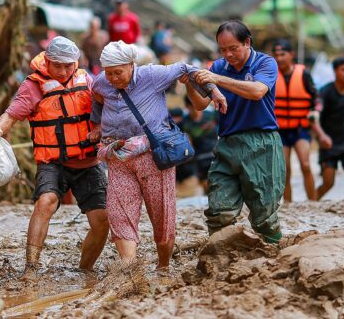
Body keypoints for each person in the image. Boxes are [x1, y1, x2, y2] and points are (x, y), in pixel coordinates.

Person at [91, 41, 226, 270]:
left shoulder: (152, 75)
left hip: (154, 157)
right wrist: (96, 126)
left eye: (118, 72)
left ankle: (163, 266)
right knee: (119, 213)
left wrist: (214, 90)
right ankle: (129, 268)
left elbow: (186, 68)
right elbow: (97, 98)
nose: (112, 78)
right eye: (108, 72)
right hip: (118, 157)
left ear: (131, 65)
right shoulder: (101, 83)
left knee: (162, 217)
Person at [0, 36, 109, 279]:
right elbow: (10, 116)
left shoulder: (85, 79)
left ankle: (84, 271)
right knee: (45, 202)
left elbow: (108, 107)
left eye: (69, 65)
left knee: (102, 220)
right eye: (58, 66)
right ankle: (31, 268)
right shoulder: (33, 86)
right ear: (47, 61)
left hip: (88, 161)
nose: (65, 71)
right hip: (53, 162)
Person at [193, 20, 285, 244]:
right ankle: (219, 261)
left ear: (247, 43)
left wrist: (216, 79)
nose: (228, 54)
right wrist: (190, 82)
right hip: (227, 143)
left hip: (261, 143)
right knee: (218, 212)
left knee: (264, 217)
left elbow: (257, 91)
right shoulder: (218, 66)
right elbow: (199, 104)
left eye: (233, 48)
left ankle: (275, 255)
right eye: (223, 50)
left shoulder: (265, 62)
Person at [272, 40, 319, 202]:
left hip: (300, 128)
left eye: (282, 54)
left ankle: (313, 202)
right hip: (280, 130)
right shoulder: (270, 75)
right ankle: (289, 204)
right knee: (284, 169)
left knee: (305, 165)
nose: (279, 58)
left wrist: (316, 110)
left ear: (291, 54)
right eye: (276, 55)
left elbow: (316, 98)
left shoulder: (304, 74)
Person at [315, 56, 344, 200]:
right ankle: (312, 202)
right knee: (328, 182)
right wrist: (321, 136)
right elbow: (315, 117)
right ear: (335, 71)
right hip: (329, 141)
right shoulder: (325, 92)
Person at [177, 96, 217, 195]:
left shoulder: (212, 116)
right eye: (193, 106)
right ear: (187, 106)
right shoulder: (184, 123)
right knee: (205, 184)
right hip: (199, 158)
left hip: (216, 155)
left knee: (218, 183)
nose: (197, 110)